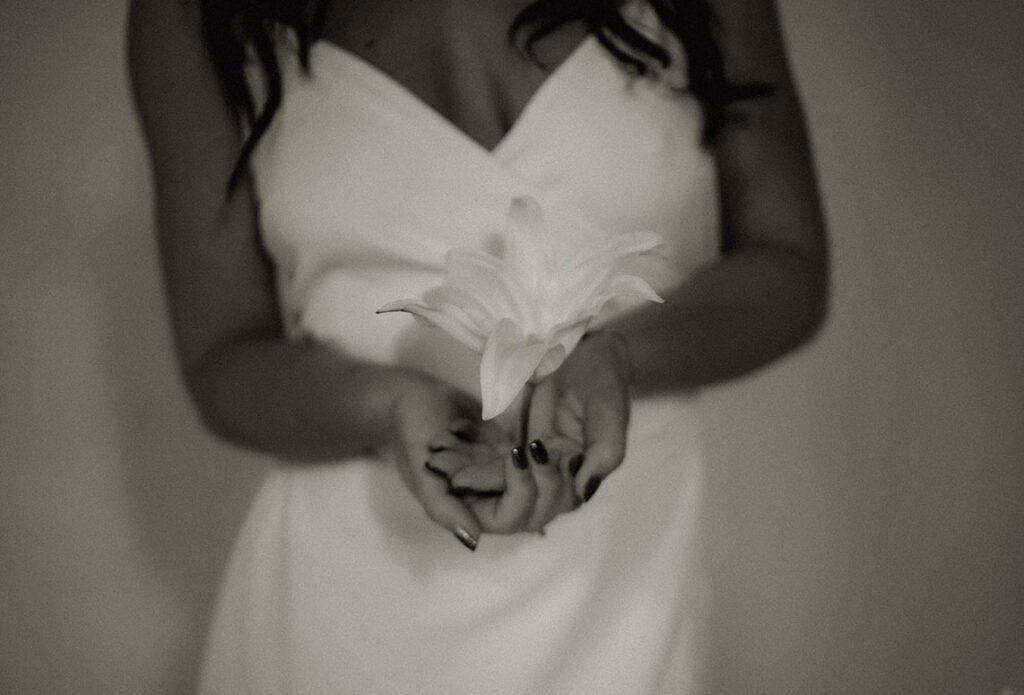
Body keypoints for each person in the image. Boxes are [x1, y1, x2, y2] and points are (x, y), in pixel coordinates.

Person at [128, 0, 827, 692]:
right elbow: (223, 358)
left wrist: (615, 353)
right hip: (347, 600)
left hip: (622, 577)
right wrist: (392, 406)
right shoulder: (193, 15)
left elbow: (789, 265)